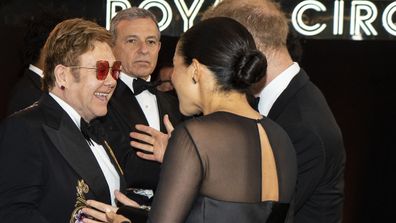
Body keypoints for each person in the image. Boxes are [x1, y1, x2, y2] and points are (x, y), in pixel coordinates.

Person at [82, 17, 297, 223]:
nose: (173, 77)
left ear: (195, 70)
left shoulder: (195, 136)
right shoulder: (280, 136)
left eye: (176, 66)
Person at [202, 1, 346, 223]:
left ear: (249, 44)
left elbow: (258, 214)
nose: (216, 63)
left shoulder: (304, 126)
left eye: (221, 49)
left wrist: (192, 167)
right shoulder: (273, 101)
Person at [0, 18, 126, 222]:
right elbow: (12, 214)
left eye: (115, 70)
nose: (112, 81)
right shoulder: (24, 129)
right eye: (101, 70)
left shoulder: (97, 129)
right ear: (62, 76)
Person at [98, 7, 183, 205]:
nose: (144, 49)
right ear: (112, 46)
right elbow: (124, 167)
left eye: (151, 42)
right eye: (132, 40)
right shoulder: (103, 98)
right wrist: (184, 166)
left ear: (159, 48)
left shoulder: (177, 104)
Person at [6, 10, 66, 115]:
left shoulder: (40, 86)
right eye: (62, 46)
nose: (67, 53)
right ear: (45, 49)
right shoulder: (26, 94)